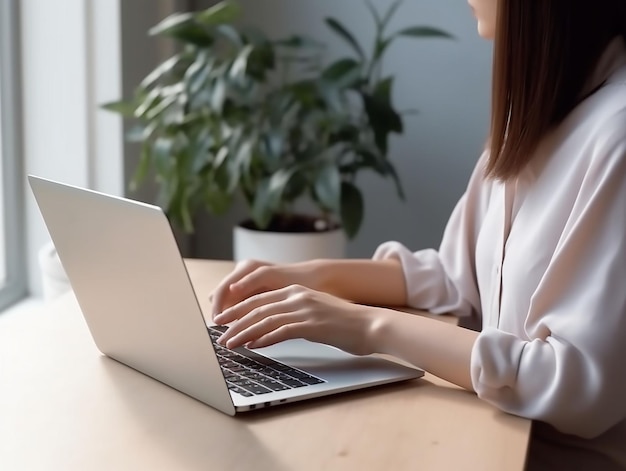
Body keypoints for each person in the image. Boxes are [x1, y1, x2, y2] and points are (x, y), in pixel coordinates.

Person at [210, 0, 626, 468]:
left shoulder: (616, 135)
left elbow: (574, 387)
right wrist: (315, 277)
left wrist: (366, 325)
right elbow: (459, 276)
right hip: (490, 431)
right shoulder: (541, 108)